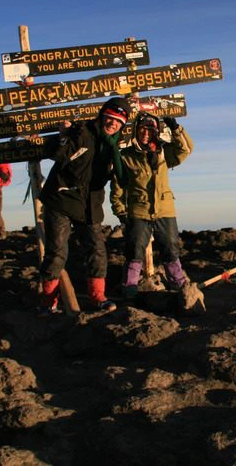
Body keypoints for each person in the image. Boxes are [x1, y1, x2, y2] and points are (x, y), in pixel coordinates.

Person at [37, 97, 131, 315]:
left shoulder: (114, 145)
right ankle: (48, 301)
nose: (113, 123)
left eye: (119, 121)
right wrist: (63, 137)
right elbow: (57, 154)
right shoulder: (82, 132)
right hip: (61, 199)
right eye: (110, 118)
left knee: (97, 250)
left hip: (90, 204)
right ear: (103, 115)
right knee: (57, 251)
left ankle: (98, 296)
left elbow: (121, 176)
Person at [110, 112, 193, 298]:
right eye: (142, 129)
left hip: (165, 210)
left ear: (156, 131)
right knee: (135, 249)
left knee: (170, 247)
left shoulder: (164, 152)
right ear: (136, 131)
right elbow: (117, 185)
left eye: (150, 129)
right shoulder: (126, 157)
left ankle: (178, 284)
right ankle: (130, 287)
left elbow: (186, 149)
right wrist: (120, 210)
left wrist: (176, 128)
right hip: (139, 211)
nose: (145, 133)